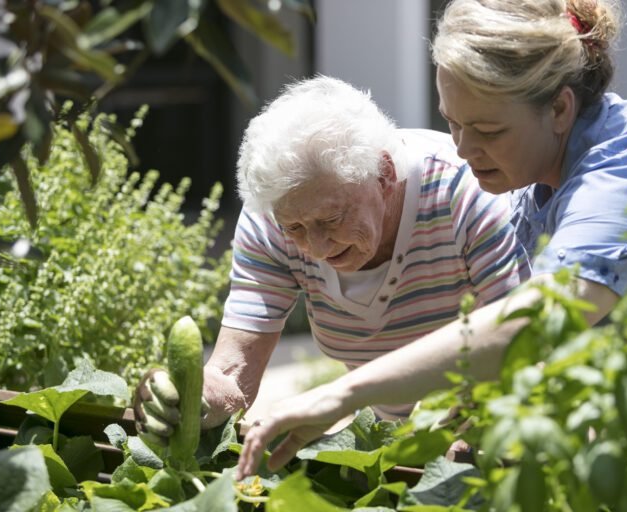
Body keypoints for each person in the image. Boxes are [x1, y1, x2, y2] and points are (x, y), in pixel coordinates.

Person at [234, 0, 627, 479]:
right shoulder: (535, 179)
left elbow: (536, 320)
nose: (463, 150)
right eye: (452, 122)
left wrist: (338, 396)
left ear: (559, 108)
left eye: (487, 129)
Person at [132, 76, 530, 445]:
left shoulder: (469, 195)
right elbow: (235, 370)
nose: (317, 248)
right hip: (396, 443)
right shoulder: (271, 216)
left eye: (332, 219)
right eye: (297, 229)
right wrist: (189, 396)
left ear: (384, 175)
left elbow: (513, 347)